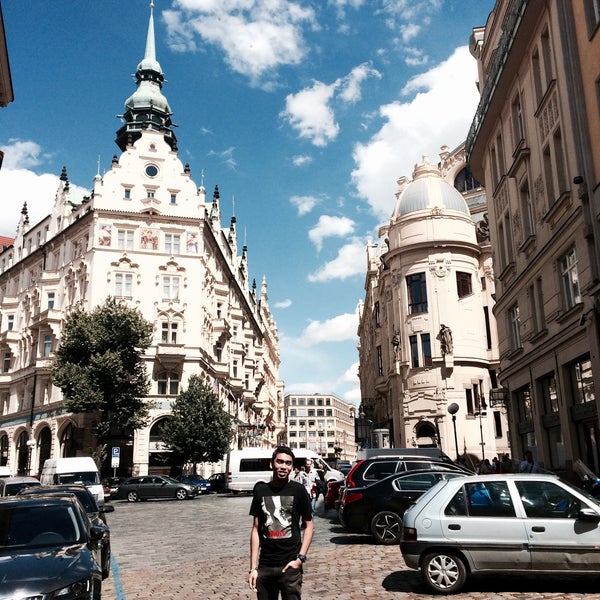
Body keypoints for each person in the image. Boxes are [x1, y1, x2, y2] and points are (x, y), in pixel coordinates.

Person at [249, 446, 313, 600]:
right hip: (265, 566)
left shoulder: (298, 490)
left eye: (288, 463)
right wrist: (253, 568)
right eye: (280, 462)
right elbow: (256, 529)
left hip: (290, 565)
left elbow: (309, 526)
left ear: (292, 467)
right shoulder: (260, 491)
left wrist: (300, 559)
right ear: (272, 464)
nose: (284, 466)